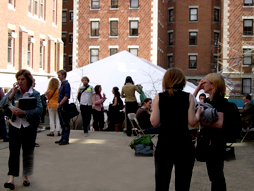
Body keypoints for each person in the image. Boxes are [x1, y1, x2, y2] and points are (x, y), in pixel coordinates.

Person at [150, 68, 203, 191]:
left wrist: (154, 109)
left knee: (162, 183)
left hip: (165, 143)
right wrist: (198, 113)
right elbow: (192, 122)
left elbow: (154, 122)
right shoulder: (188, 97)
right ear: (182, 81)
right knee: (183, 184)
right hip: (184, 143)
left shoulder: (159, 97)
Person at [0, 69, 42, 190]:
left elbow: (39, 109)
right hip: (15, 125)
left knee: (28, 152)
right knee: (13, 152)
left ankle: (25, 177)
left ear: (28, 80)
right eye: (18, 79)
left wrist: (24, 112)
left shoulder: (35, 93)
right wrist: (11, 93)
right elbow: (2, 104)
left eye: (22, 79)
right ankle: (11, 179)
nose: (20, 81)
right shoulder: (15, 92)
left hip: (29, 126)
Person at [193, 73, 227, 191]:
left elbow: (219, 123)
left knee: (216, 175)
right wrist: (198, 88)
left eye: (205, 82)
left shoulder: (220, 101)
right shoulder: (208, 100)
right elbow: (190, 103)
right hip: (209, 141)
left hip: (216, 142)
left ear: (213, 85)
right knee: (213, 175)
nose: (203, 84)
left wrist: (202, 122)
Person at [55, 70, 71, 145]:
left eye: (59, 75)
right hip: (61, 105)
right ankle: (63, 138)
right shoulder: (62, 84)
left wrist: (61, 103)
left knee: (65, 123)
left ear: (63, 75)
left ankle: (65, 139)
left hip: (63, 105)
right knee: (62, 123)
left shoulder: (66, 84)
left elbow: (67, 95)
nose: (58, 77)